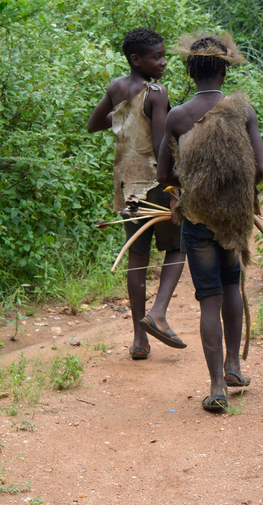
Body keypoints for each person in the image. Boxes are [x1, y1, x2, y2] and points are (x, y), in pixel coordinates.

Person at [156, 33, 263, 412]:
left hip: (197, 220)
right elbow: (262, 168)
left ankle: (218, 386)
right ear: (223, 71)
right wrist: (236, 195)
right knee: (232, 286)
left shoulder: (177, 116)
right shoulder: (243, 110)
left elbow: (163, 176)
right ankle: (234, 364)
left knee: (209, 299)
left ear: (190, 72)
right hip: (233, 221)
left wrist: (188, 187)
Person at [87, 27, 186, 360]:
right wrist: (175, 186)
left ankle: (139, 340)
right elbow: (161, 144)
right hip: (156, 183)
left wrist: (125, 120)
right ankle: (158, 312)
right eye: (156, 57)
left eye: (163, 55)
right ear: (136, 59)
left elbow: (94, 123)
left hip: (127, 185)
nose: (163, 62)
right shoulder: (156, 92)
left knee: (137, 258)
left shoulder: (117, 87)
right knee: (178, 246)